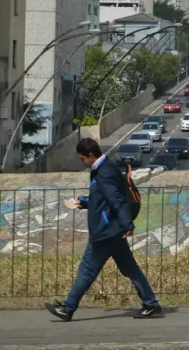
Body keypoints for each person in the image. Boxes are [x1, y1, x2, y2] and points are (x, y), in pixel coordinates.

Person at [44, 138, 163, 322]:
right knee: (130, 268)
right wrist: (82, 202)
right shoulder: (104, 169)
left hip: (106, 231)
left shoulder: (104, 172)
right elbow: (102, 199)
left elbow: (117, 201)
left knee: (87, 269)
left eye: (83, 159)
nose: (82, 162)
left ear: (90, 155)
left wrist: (128, 226)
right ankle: (151, 304)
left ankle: (68, 308)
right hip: (113, 230)